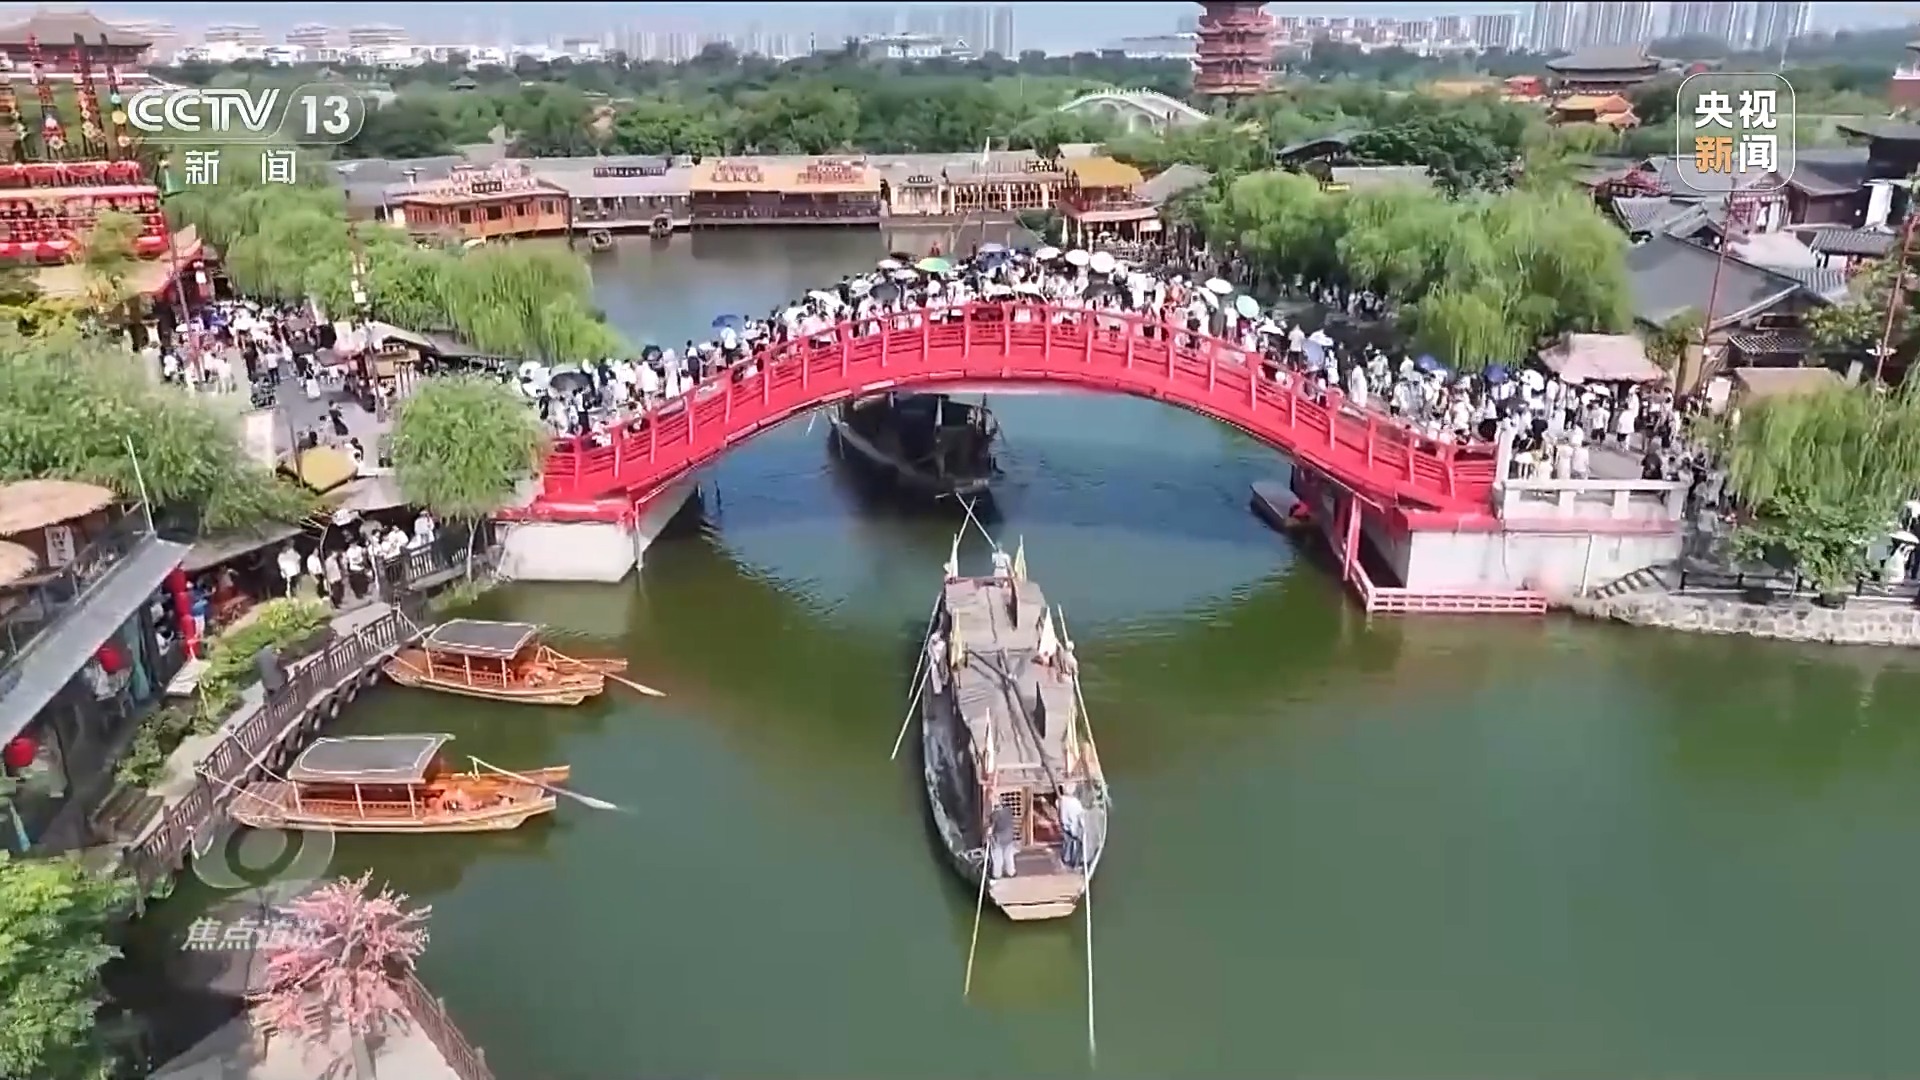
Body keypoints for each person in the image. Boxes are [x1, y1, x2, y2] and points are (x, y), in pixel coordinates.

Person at [1057, 786, 1086, 869]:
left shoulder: (1061, 800)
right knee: (1077, 844)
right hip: (1074, 825)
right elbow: (1080, 814)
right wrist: (1082, 825)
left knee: (1067, 843)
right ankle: (1074, 863)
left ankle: (1066, 860)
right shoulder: (1075, 802)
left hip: (1065, 824)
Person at [988, 802, 1017, 879]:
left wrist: (989, 834)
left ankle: (997, 874)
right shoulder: (1008, 812)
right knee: (1009, 856)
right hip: (1009, 837)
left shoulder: (995, 815)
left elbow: (991, 826)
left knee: (998, 857)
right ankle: (1011, 872)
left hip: (998, 838)